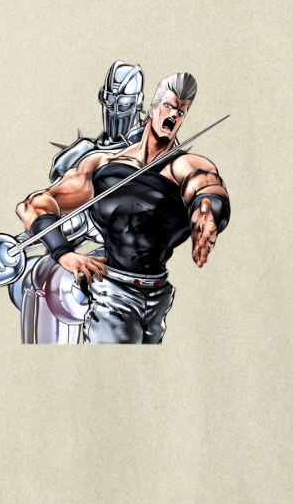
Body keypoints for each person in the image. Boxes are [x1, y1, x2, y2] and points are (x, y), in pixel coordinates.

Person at [15, 72, 231, 344]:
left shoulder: (183, 164)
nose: (174, 115)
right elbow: (34, 206)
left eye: (181, 111)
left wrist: (209, 213)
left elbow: (204, 184)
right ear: (151, 110)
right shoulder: (101, 164)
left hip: (158, 298)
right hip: (112, 295)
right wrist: (62, 252)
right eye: (168, 106)